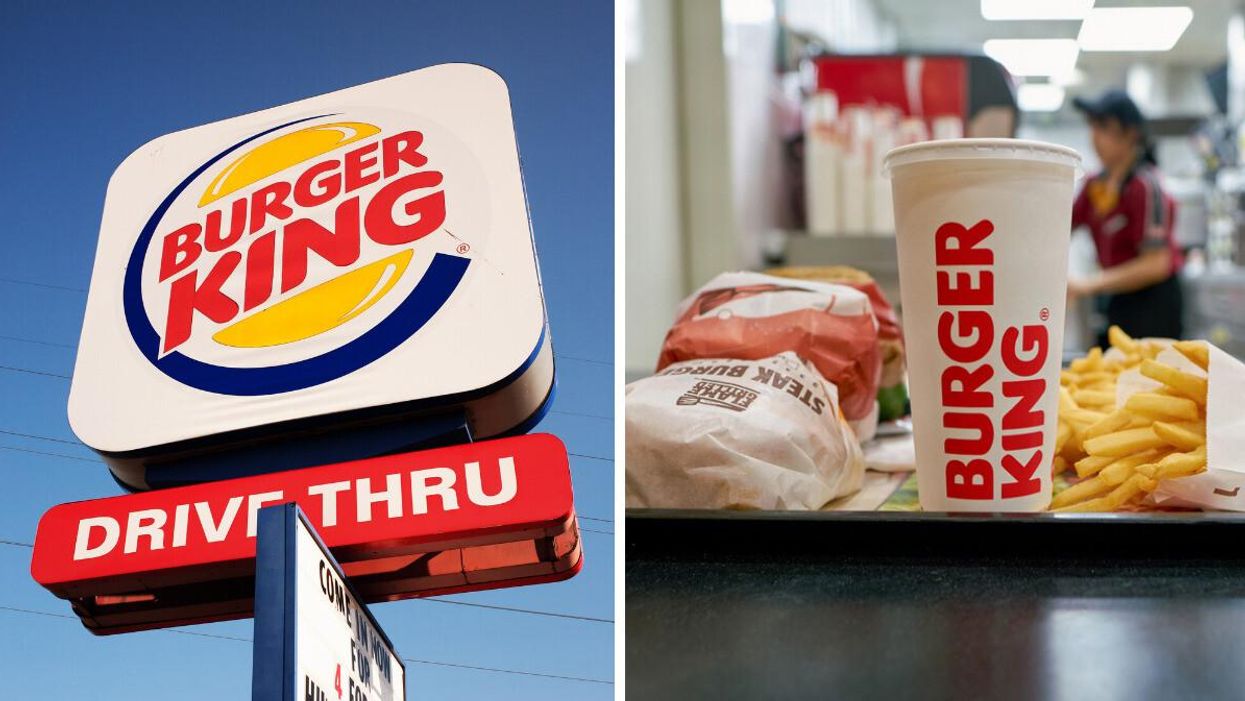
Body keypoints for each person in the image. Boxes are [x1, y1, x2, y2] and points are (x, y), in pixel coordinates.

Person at [1068, 89, 1184, 347]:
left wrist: (1087, 285)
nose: (1094, 136)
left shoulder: (1145, 185)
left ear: (1131, 134)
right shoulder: (1095, 186)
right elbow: (1061, 228)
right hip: (1117, 297)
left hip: (1154, 301)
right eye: (1092, 126)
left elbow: (1156, 264)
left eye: (1103, 127)